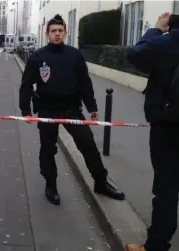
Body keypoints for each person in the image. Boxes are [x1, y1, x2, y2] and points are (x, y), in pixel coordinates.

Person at [19, 14, 125, 206]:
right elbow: (27, 85)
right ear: (47, 34)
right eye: (53, 31)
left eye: (60, 31)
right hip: (47, 110)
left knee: (88, 144)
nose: (57, 34)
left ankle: (101, 182)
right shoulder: (38, 57)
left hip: (71, 110)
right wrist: (25, 110)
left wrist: (92, 106)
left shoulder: (75, 55)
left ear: (65, 33)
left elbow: (85, 83)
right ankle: (51, 186)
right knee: (48, 149)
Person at [125, 12, 179, 251]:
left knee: (166, 189)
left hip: (169, 126)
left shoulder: (170, 41)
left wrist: (156, 29)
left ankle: (157, 245)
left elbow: (136, 55)